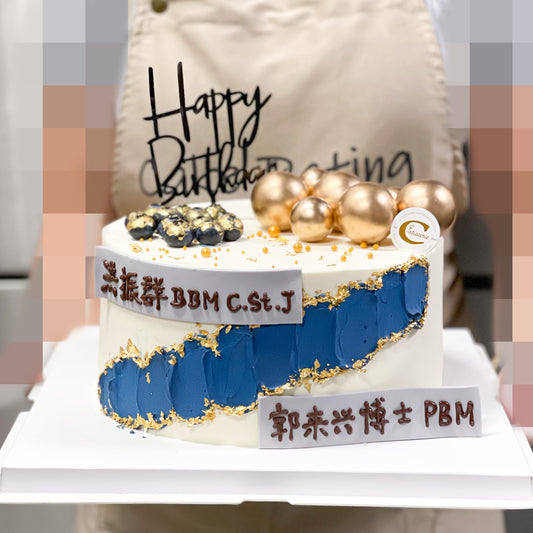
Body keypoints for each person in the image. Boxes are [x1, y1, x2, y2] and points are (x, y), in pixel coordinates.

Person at [77, 0, 505, 531]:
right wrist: (69, 372)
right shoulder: (99, 20)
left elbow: (519, 198)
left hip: (415, 465)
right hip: (154, 479)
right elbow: (70, 215)